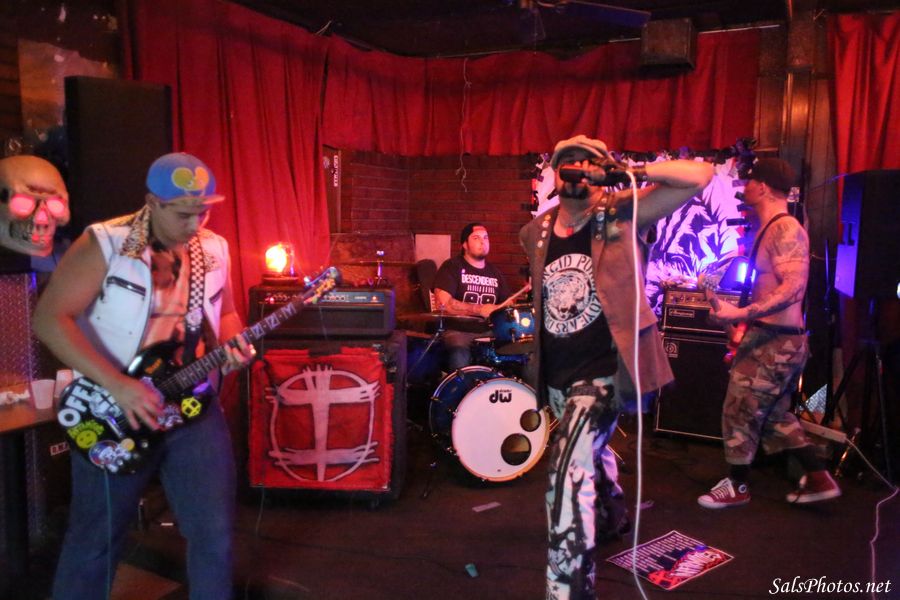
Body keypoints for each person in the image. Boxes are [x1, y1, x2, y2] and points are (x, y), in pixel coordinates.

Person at [33, 152, 256, 600]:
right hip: (115, 410)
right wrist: (119, 385)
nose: (194, 223)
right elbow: (49, 320)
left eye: (203, 211)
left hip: (192, 405)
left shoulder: (213, 248)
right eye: (183, 213)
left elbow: (227, 312)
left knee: (213, 535)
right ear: (153, 203)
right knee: (96, 542)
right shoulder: (105, 243)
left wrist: (233, 344)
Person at [520, 134, 713, 600]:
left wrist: (630, 174)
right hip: (558, 374)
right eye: (568, 162)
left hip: (605, 371)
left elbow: (699, 176)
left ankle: (568, 590)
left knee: (567, 469)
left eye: (588, 162)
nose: (578, 169)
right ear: (555, 175)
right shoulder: (535, 232)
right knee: (589, 450)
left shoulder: (623, 212)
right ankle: (612, 517)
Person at [697, 158, 840, 509]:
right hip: (771, 336)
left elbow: (794, 288)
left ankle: (737, 486)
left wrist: (741, 314)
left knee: (738, 408)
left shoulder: (786, 228)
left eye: (749, 182)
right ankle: (818, 477)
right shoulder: (767, 229)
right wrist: (734, 320)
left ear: (761, 187)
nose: (744, 187)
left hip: (778, 340)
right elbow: (766, 291)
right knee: (774, 415)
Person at [432, 222, 511, 370]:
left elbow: (508, 304)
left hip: (489, 331)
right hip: (459, 331)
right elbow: (443, 303)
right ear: (465, 244)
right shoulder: (451, 267)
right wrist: (479, 309)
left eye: (486, 238)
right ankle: (460, 385)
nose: (483, 242)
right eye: (476, 238)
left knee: (518, 351)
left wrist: (503, 308)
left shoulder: (495, 272)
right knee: (459, 351)